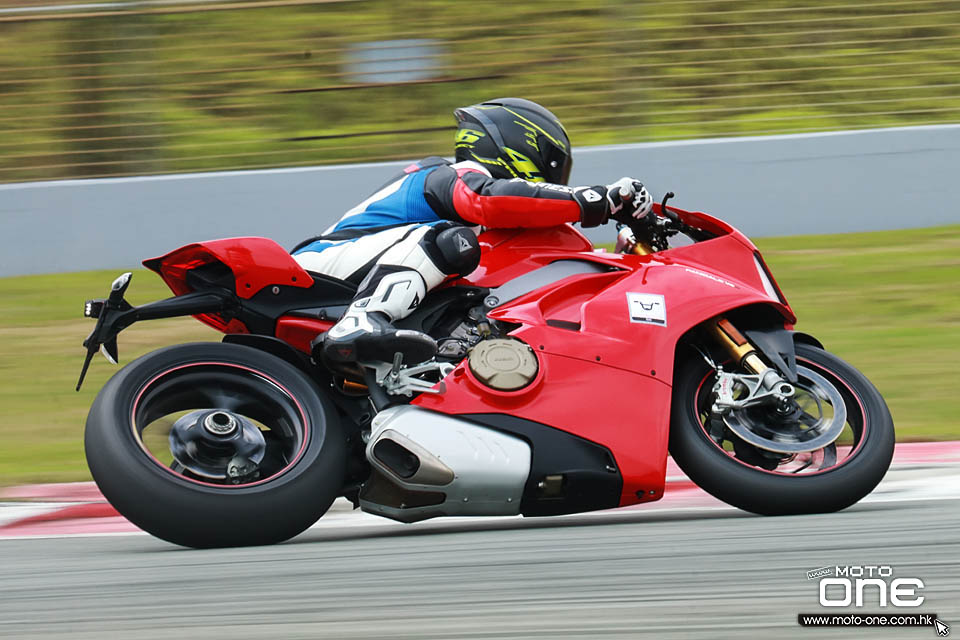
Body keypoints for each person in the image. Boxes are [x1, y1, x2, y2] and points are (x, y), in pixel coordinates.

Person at [292, 97, 654, 368]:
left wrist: (619, 258)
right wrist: (596, 199)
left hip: (356, 274)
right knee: (450, 239)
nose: (553, 183)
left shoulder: (480, 227)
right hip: (320, 268)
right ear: (521, 145)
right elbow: (488, 199)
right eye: (553, 168)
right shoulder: (451, 174)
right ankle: (360, 321)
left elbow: (537, 263)